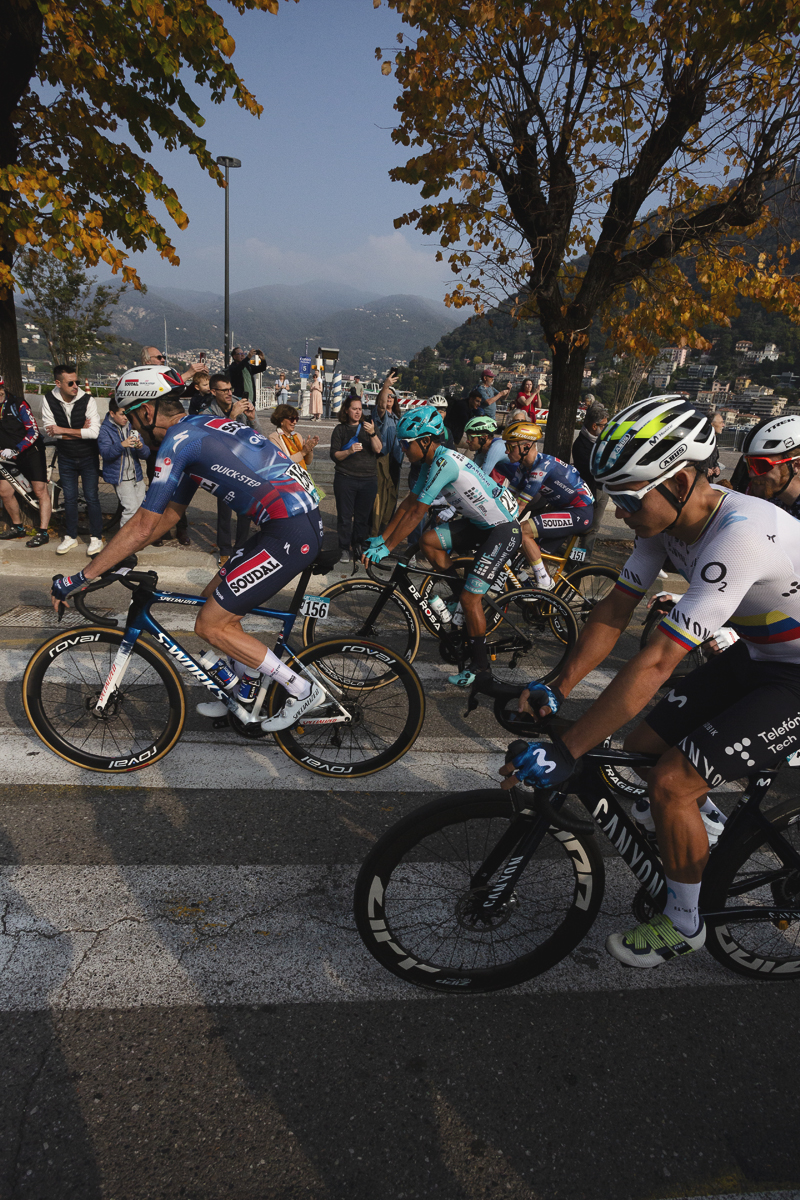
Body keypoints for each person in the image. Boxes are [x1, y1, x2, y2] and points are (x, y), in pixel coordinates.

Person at [503, 393, 800, 970]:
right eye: (614, 496)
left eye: (630, 498)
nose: (619, 513)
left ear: (683, 480)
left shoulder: (741, 534)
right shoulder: (662, 523)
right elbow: (615, 611)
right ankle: (701, 833)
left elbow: (660, 660)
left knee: (671, 782)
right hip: (765, 656)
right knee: (639, 749)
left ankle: (684, 921)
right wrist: (556, 685)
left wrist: (568, 748)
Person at [51, 365, 326, 733]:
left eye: (133, 419)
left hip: (289, 529)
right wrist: (117, 555)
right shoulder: (197, 428)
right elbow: (167, 516)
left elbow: (145, 523)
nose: (134, 428)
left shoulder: (178, 443)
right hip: (289, 521)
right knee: (214, 596)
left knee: (210, 625)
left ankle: (301, 689)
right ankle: (244, 687)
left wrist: (81, 577)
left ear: (147, 411)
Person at [364, 405, 521, 688]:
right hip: (479, 524)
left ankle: (481, 668)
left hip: (501, 529)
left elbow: (417, 513)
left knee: (472, 599)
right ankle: (461, 595)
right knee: (429, 541)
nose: (402, 448)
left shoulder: (444, 463)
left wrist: (388, 548)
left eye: (406, 443)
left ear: (425, 441)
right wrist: (382, 538)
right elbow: (409, 504)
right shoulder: (428, 462)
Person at [494, 421, 594, 589]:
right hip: (563, 510)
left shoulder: (541, 468)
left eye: (510, 447)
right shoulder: (523, 468)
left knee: (523, 531)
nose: (506, 451)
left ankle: (544, 582)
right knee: (533, 552)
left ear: (526, 446)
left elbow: (519, 506)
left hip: (580, 512)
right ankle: (547, 596)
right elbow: (508, 496)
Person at [41, 362, 103, 556]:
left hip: (88, 456)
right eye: (71, 383)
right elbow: (51, 432)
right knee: (69, 498)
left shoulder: (87, 400)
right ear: (58, 383)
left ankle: (96, 538)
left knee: (92, 498)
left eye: (76, 382)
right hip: (66, 457)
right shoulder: (48, 399)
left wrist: (64, 430)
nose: (76, 386)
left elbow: (94, 433)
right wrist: (79, 431)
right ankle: (71, 537)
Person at [204, 374, 257, 566]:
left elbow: (257, 436)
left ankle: (241, 548)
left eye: (230, 389)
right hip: (223, 468)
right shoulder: (207, 413)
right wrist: (232, 417)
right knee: (224, 512)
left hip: (244, 466)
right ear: (213, 392)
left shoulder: (240, 404)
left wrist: (251, 419)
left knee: (245, 512)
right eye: (224, 390)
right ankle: (225, 549)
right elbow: (214, 441)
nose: (229, 393)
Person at [330, 393, 382, 564]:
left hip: (368, 479)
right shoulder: (340, 429)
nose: (358, 412)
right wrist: (350, 451)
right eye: (354, 409)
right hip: (345, 478)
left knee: (363, 517)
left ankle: (359, 547)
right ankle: (344, 548)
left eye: (360, 409)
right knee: (345, 517)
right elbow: (335, 455)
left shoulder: (369, 427)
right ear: (346, 410)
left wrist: (373, 434)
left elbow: (379, 450)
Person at [0, 380, 52, 546]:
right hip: (7, 455)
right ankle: (18, 528)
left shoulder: (18, 404)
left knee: (39, 490)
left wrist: (16, 449)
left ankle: (43, 532)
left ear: (2, 388)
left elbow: (34, 431)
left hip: (30, 452)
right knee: (5, 492)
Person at [98, 398, 150, 526]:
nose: (125, 417)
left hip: (136, 475)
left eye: (127, 414)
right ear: (112, 413)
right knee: (131, 509)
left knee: (141, 509)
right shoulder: (105, 430)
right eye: (122, 414)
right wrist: (122, 445)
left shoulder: (133, 427)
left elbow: (146, 454)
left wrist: (140, 447)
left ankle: (135, 538)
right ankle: (123, 541)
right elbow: (105, 454)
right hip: (120, 477)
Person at [571, 400, 609, 561]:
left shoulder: (603, 441)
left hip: (602, 489)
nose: (606, 429)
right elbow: (592, 470)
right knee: (582, 526)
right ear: (595, 426)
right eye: (604, 426)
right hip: (588, 490)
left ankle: (585, 558)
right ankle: (575, 559)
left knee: (595, 526)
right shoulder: (581, 445)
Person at [368, 375, 404, 535]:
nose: (389, 397)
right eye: (387, 394)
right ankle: (374, 532)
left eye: (392, 395)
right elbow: (381, 406)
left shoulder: (398, 419)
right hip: (382, 461)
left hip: (396, 463)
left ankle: (385, 532)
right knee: (379, 499)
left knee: (391, 500)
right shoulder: (379, 414)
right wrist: (386, 386)